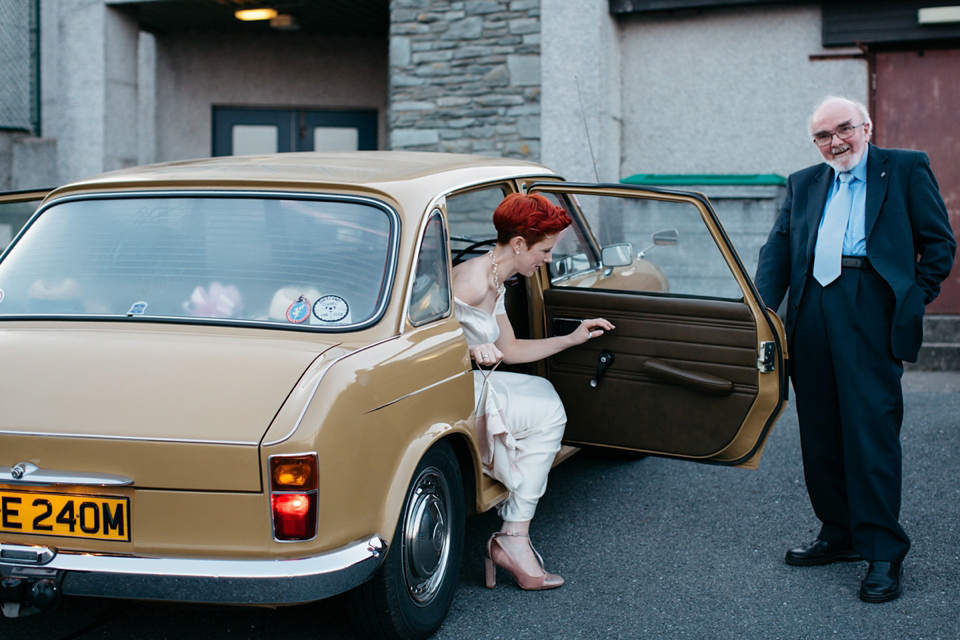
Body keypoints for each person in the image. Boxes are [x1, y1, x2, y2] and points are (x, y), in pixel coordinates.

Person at [755, 96, 955, 603]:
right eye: (822, 135)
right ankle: (839, 533)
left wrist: (909, 299)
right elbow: (778, 249)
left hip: (870, 305)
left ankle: (883, 551)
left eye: (843, 129)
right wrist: (761, 313)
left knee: (871, 432)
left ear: (866, 126)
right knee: (820, 432)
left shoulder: (905, 168)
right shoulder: (803, 181)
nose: (834, 142)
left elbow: (939, 244)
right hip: (811, 311)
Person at [453, 193, 614, 591]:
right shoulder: (471, 283)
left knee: (543, 393)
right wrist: (470, 350)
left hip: (469, 382)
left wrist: (572, 339)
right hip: (445, 392)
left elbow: (510, 351)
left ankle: (513, 529)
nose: (546, 259)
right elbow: (416, 346)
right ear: (520, 244)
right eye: (545, 250)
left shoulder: (496, 278)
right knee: (548, 411)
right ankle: (513, 536)